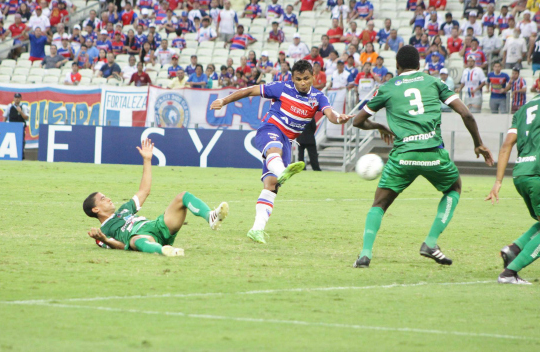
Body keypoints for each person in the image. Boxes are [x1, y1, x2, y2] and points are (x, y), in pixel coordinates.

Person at [351, 45, 494, 268]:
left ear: (397, 66)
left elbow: (357, 121)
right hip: (433, 154)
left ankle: (364, 255)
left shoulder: (387, 87)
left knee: (379, 203)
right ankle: (430, 242)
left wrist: (380, 126)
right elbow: (466, 113)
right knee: (454, 188)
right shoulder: (433, 81)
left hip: (403, 157)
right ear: (419, 65)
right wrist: (478, 144)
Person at [209, 60, 353, 243]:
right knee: (273, 151)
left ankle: (256, 229)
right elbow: (249, 90)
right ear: (292, 78)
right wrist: (223, 100)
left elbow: (331, 114)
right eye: (298, 79)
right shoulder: (281, 88)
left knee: (271, 187)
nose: (302, 82)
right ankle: (282, 171)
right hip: (270, 129)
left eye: (306, 78)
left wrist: (339, 118)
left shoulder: (318, 97)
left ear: (313, 77)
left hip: (288, 141)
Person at [85, 139, 229, 256]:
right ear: (96, 209)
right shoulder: (102, 233)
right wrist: (105, 240)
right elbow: (122, 246)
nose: (108, 198)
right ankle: (165, 251)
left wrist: (147, 160)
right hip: (143, 237)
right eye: (103, 199)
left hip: (157, 226)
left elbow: (144, 190)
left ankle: (210, 216)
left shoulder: (124, 210)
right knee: (135, 241)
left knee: (182, 197)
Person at [486, 91, 540, 284]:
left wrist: (498, 181)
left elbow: (507, 144)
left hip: (521, 174)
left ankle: (514, 249)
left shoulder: (523, 110)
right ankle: (509, 274)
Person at [3, 92, 29, 158]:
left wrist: (20, 111)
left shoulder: (23, 107)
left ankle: (21, 156)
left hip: (20, 127)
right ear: (14, 98)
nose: (17, 99)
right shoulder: (10, 106)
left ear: (20, 99)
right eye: (16, 98)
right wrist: (3, 125)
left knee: (21, 142)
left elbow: (26, 117)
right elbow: (5, 116)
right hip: (11, 126)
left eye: (18, 98)